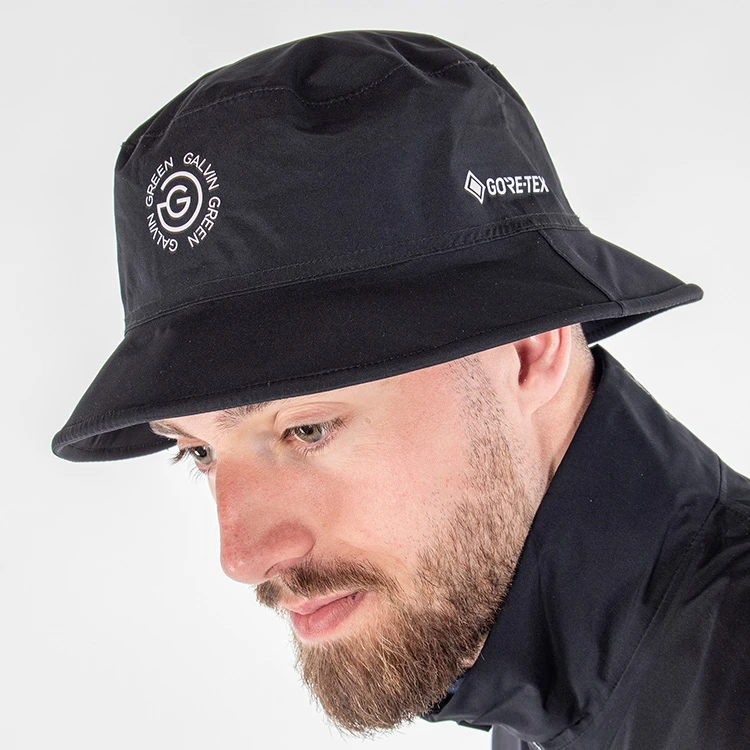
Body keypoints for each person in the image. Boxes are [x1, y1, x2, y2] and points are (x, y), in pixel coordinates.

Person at [52, 30, 750, 750]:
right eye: (198, 452)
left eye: (306, 428)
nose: (243, 556)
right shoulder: (551, 699)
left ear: (526, 350)